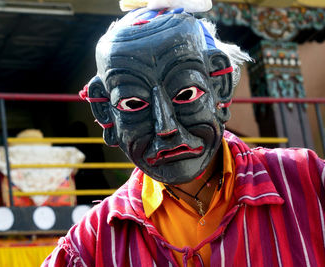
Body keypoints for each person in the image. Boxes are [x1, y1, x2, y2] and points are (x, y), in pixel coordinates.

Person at [43, 1, 325, 266]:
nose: (166, 127)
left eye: (186, 94)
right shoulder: (90, 247)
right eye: (133, 104)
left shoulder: (311, 186)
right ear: (106, 114)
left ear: (221, 88)